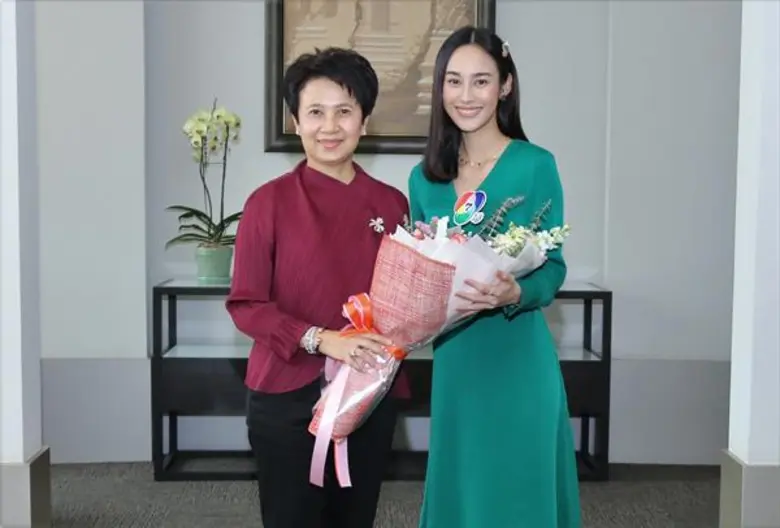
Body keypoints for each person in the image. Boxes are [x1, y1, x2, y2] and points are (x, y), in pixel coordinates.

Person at [226, 47, 410, 528]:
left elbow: (405, 301)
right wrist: (322, 339)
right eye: (315, 112)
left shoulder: (392, 205)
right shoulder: (266, 203)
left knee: (356, 517)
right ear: (296, 121)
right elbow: (246, 304)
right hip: (286, 394)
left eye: (344, 111)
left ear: (364, 121)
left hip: (368, 391)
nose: (330, 126)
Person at [408, 27, 582, 527]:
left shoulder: (535, 165)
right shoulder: (425, 178)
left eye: (481, 81)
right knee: (465, 491)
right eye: (454, 81)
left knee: (519, 494)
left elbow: (553, 267)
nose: (466, 95)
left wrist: (516, 290)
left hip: (518, 354)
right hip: (457, 361)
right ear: (440, 88)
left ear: (505, 86)